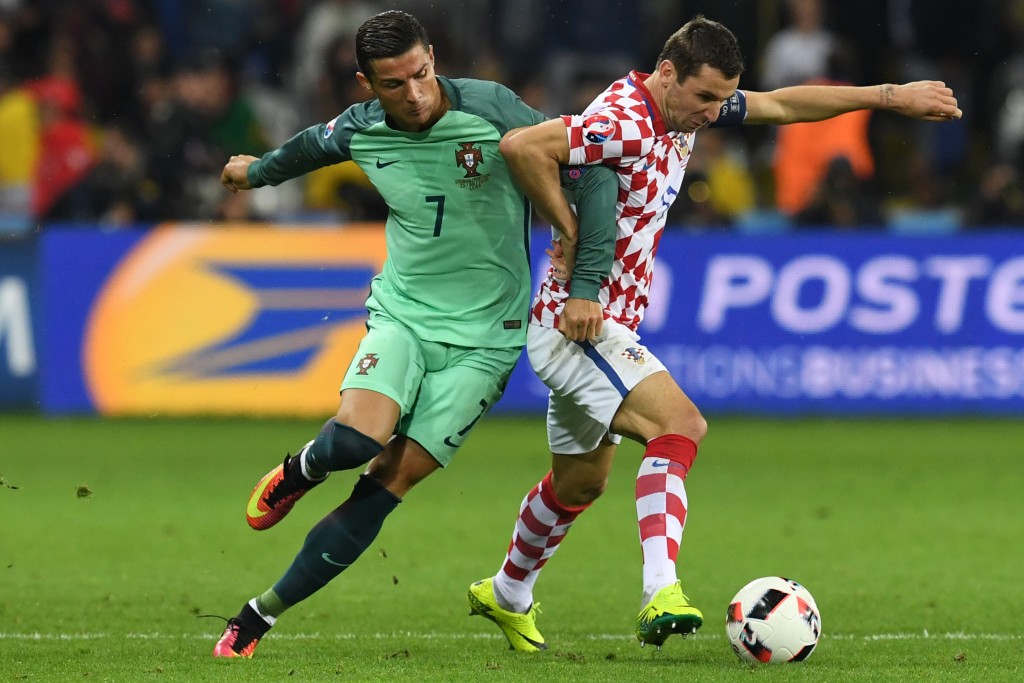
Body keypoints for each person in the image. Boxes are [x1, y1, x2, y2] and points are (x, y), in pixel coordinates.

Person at [467, 14, 961, 652]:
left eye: (719, 100)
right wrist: (566, 231)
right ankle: (659, 592)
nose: (710, 113)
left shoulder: (684, 110)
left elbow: (783, 104)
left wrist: (888, 97)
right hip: (578, 325)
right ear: (666, 74)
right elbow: (523, 148)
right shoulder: (623, 119)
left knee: (580, 483)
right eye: (702, 97)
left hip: (602, 324)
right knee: (680, 428)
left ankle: (506, 592)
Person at [210, 10, 615, 658]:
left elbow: (592, 169)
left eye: (422, 74)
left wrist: (587, 284)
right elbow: (313, 144)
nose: (416, 93)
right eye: (395, 84)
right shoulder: (362, 126)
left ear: (434, 57)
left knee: (389, 479)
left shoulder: (494, 109)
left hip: (488, 338)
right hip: (405, 313)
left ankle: (259, 614)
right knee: (354, 440)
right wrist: (255, 172)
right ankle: (303, 467)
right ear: (368, 84)